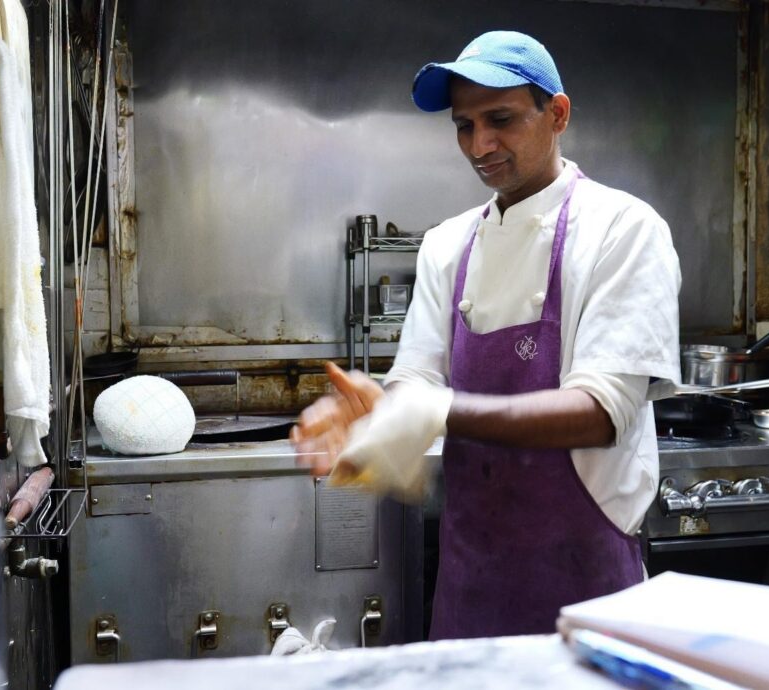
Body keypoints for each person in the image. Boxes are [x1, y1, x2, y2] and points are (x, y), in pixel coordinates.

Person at [291, 30, 681, 640]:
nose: (479, 145)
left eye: (500, 119)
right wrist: (376, 415)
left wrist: (437, 409)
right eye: (464, 126)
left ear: (558, 114)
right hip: (470, 580)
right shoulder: (447, 245)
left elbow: (600, 413)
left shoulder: (623, 229)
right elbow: (416, 381)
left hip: (587, 586)